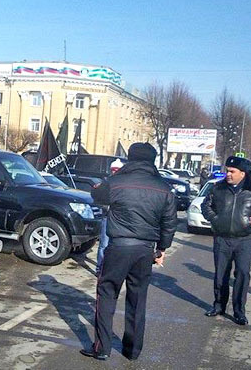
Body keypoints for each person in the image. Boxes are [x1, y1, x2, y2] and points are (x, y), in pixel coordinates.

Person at [81, 142, 177, 361]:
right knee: (138, 299)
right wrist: (161, 249)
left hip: (119, 247)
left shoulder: (116, 182)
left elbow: (96, 196)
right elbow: (169, 223)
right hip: (145, 250)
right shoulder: (164, 188)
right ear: (153, 161)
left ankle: (102, 348)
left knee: (106, 294)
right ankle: (132, 351)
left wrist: (108, 180)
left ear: (130, 159)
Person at [202, 156, 251, 325]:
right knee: (221, 275)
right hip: (222, 239)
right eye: (227, 170)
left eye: (231, 171)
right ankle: (219, 306)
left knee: (242, 274)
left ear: (242, 173)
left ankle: (239, 311)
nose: (227, 174)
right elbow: (206, 205)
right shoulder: (218, 188)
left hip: (245, 239)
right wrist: (215, 218)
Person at [95, 158, 124, 275]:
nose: (114, 172)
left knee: (117, 245)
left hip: (120, 218)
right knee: (104, 244)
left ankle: (112, 269)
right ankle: (99, 268)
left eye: (117, 170)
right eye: (113, 170)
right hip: (107, 216)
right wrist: (105, 206)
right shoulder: (105, 183)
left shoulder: (124, 184)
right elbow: (98, 199)